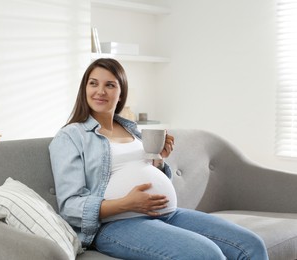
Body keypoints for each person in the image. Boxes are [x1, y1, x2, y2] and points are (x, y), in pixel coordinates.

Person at [49, 58, 268, 260]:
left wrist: (158, 161)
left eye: (110, 85)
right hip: (115, 225)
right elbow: (70, 205)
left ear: (121, 92)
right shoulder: (71, 137)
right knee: (207, 255)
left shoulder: (132, 129)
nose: (100, 91)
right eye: (93, 83)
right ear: (84, 89)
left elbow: (150, 175)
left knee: (251, 245)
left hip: (167, 214)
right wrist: (125, 204)